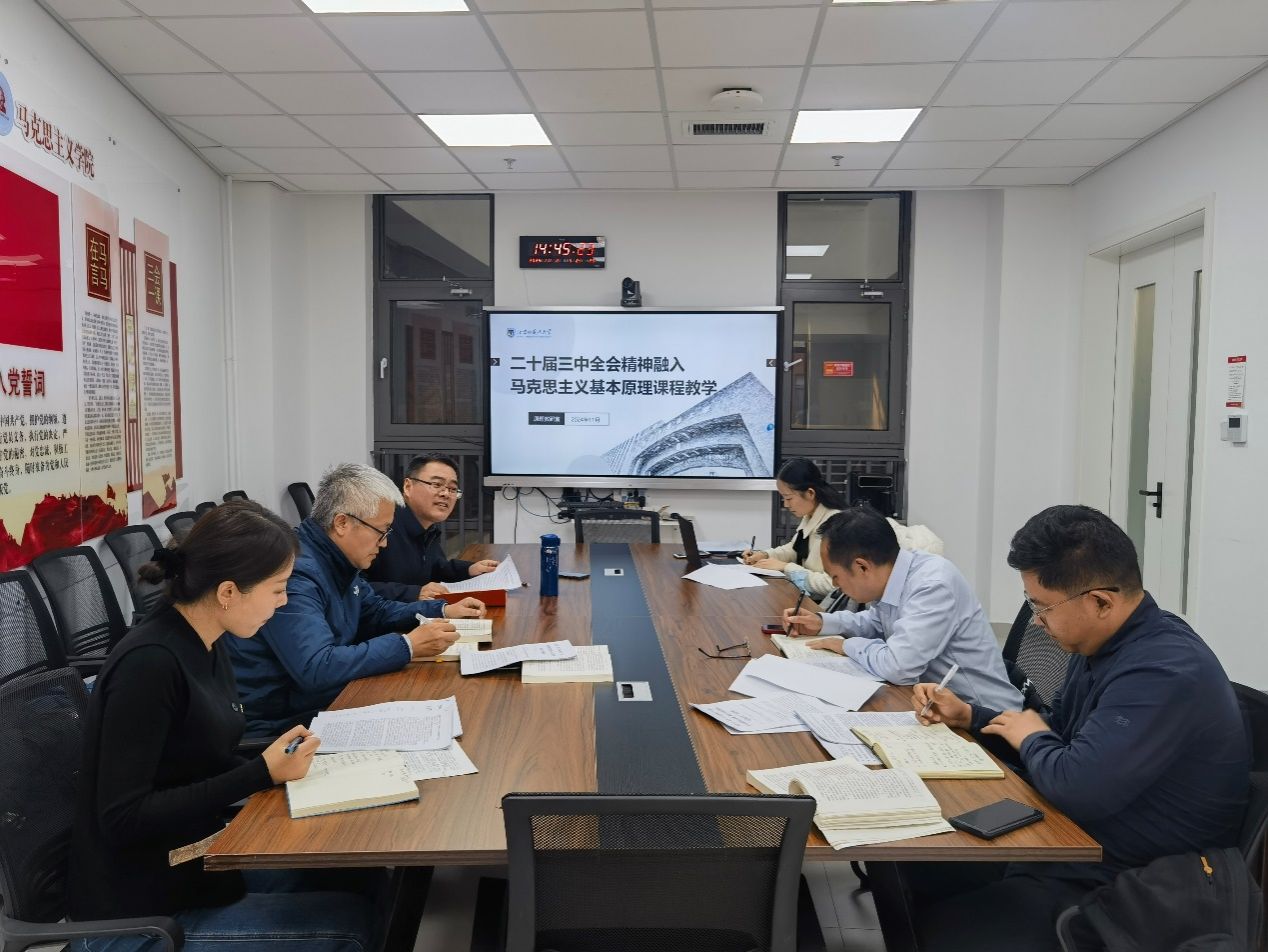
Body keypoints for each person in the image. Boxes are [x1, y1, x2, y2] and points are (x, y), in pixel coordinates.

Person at [905, 505, 1250, 952]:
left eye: (1042, 606)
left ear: (1101, 602)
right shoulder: (1102, 645)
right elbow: (1064, 736)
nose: (1037, 620)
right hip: (1074, 841)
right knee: (913, 864)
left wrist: (1031, 735)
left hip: (1129, 881)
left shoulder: (1162, 670)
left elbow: (1076, 785)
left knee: (942, 923)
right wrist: (971, 717)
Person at [69, 501, 377, 951]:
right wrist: (260, 773)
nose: (284, 602)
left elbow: (198, 760)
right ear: (228, 592)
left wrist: (282, 766)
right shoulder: (150, 664)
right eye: (277, 589)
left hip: (191, 864)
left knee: (358, 873)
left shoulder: (207, 639)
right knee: (351, 925)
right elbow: (123, 817)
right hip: (138, 915)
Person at [229, 463, 484, 736]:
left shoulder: (336, 559)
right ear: (342, 523)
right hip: (283, 724)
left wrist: (441, 609)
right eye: (381, 532)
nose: (384, 543)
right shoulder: (296, 573)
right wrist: (408, 645)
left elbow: (374, 610)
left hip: (320, 701)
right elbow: (317, 667)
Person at [783, 505, 1021, 712]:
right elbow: (877, 622)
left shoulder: (932, 585)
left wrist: (847, 645)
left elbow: (899, 667)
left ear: (862, 567)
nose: (835, 585)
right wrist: (822, 623)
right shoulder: (896, 572)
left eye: (835, 576)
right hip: (937, 705)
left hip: (985, 719)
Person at [366, 453, 499, 601]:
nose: (446, 494)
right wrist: (414, 593)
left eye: (452, 489)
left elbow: (435, 568)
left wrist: (469, 570)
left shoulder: (428, 528)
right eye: (436, 484)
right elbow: (355, 588)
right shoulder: (380, 526)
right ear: (408, 487)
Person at [741, 458, 845, 597]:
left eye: (789, 498)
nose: (785, 504)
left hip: (821, 605)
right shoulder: (811, 515)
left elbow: (833, 585)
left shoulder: (837, 525)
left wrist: (786, 567)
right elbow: (795, 549)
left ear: (810, 493)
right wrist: (764, 555)